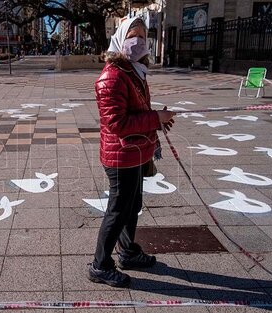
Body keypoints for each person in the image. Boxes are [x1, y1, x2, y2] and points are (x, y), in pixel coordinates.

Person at [88, 16, 176, 288]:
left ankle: (127, 252)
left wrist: (157, 118)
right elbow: (118, 124)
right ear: (119, 39)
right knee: (117, 210)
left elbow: (138, 111)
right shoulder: (112, 77)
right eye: (131, 35)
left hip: (137, 151)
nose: (137, 41)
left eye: (142, 35)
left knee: (132, 206)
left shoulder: (134, 71)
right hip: (121, 154)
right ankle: (100, 266)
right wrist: (155, 118)